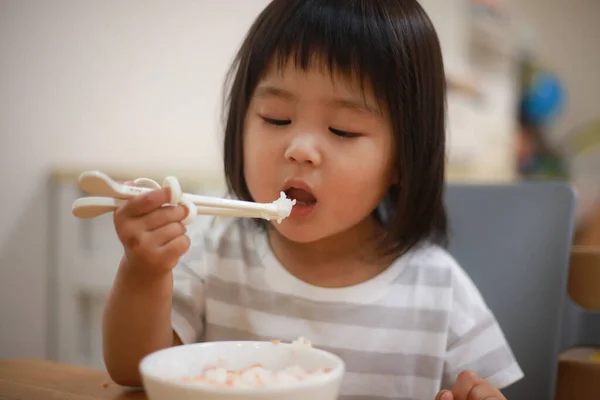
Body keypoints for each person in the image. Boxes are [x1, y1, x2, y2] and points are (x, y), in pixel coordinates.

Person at [101, 1, 524, 399]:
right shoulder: (214, 247)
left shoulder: (438, 289)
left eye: (342, 130)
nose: (300, 148)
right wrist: (144, 274)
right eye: (276, 119)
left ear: (402, 158)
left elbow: (485, 387)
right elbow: (134, 371)